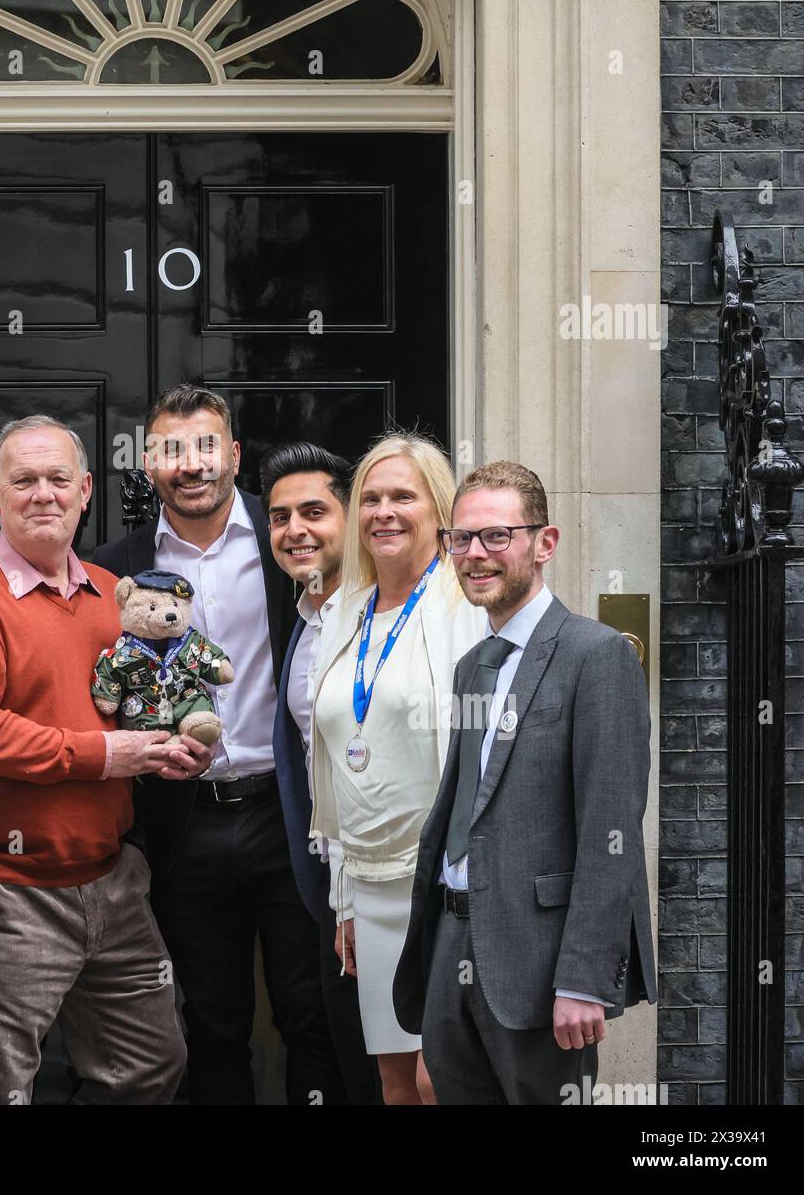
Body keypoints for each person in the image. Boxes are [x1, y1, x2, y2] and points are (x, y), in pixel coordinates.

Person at [0, 414, 190, 1104]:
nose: (42, 493)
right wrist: (102, 755)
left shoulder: (113, 593)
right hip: (6, 890)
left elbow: (134, 705)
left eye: (58, 479)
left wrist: (166, 747)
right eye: (24, 480)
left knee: (150, 1065)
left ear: (86, 491)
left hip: (112, 881)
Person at [95, 385, 339, 1106]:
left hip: (287, 814)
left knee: (312, 1012)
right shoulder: (116, 567)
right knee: (210, 1022)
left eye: (206, 447)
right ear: (149, 463)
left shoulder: (289, 537)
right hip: (183, 821)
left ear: (232, 454)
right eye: (172, 450)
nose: (190, 465)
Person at [392, 460, 657, 1104]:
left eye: (496, 536)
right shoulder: (470, 667)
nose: (475, 555)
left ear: (545, 543)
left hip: (540, 964)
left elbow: (611, 830)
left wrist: (584, 979)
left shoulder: (598, 656)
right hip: (451, 940)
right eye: (461, 539)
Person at [308, 433, 483, 1104]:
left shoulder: (462, 607)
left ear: (437, 510)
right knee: (393, 1078)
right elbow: (336, 765)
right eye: (371, 498)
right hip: (372, 882)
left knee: (439, 1075)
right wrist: (345, 898)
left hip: (444, 884)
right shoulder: (342, 610)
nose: (383, 510)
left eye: (402, 496)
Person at [261, 441, 382, 1106]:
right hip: (328, 886)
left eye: (313, 511)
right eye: (280, 517)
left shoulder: (383, 616)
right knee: (345, 1059)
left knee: (395, 1075)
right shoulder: (305, 616)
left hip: (382, 887)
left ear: (351, 518)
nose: (295, 531)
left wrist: (361, 898)